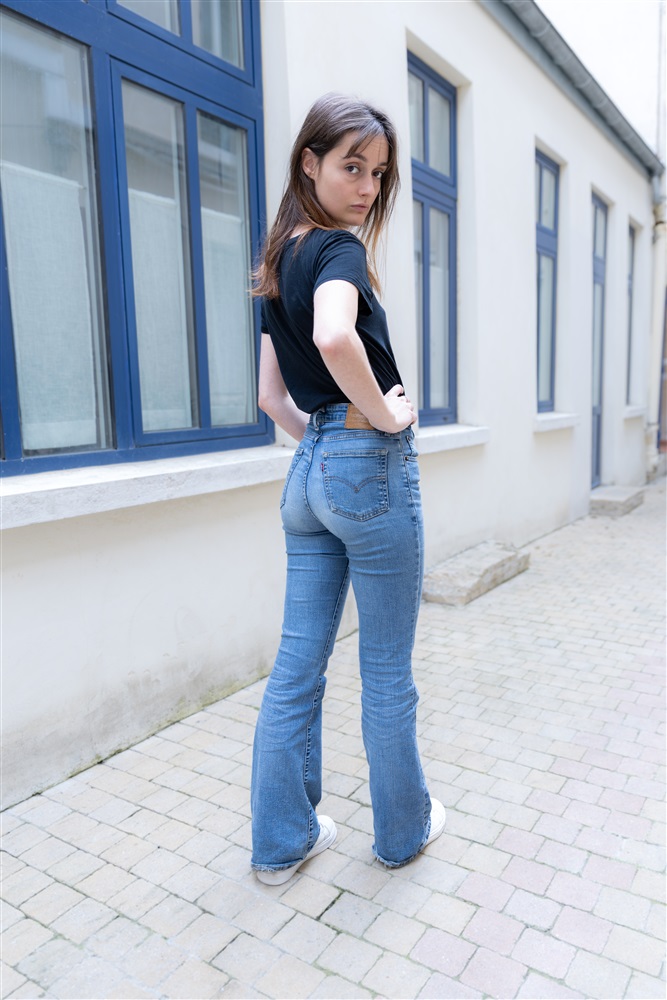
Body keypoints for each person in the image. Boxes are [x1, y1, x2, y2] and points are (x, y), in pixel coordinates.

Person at [250, 93, 446, 886]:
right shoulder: (336, 250)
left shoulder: (274, 264)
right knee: (386, 667)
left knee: (296, 664)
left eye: (378, 174)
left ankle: (280, 843)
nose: (366, 188)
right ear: (310, 163)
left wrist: (326, 444)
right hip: (364, 466)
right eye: (351, 167)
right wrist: (384, 419)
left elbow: (271, 398)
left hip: (308, 475)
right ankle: (401, 834)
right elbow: (334, 335)